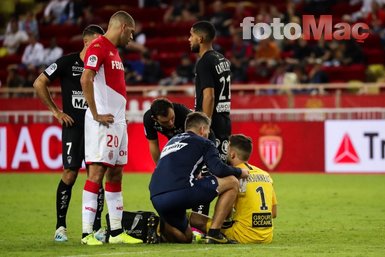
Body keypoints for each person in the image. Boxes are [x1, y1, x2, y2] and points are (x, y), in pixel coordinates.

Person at [33, 24, 106, 242]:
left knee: (97, 176)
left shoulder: (101, 66)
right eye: (98, 42)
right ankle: (60, 227)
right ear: (86, 42)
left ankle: (98, 227)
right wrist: (56, 112)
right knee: (70, 174)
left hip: (97, 128)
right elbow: (39, 83)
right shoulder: (67, 62)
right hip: (74, 128)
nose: (101, 46)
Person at [80, 10, 142, 245]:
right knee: (96, 172)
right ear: (123, 27)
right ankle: (87, 233)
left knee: (116, 173)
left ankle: (116, 232)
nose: (132, 38)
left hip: (117, 122)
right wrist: (95, 113)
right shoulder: (98, 46)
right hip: (102, 122)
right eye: (132, 33)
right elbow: (86, 78)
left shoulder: (114, 51)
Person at [149, 112, 249, 244]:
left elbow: (175, 167)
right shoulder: (204, 142)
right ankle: (214, 233)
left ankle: (158, 227)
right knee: (232, 182)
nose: (208, 134)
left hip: (156, 197)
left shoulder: (172, 141)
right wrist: (239, 171)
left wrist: (195, 175)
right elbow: (218, 169)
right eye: (207, 131)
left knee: (186, 238)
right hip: (179, 193)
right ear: (202, 130)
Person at [190, 134, 278, 243]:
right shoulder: (265, 175)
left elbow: (226, 215)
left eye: (227, 149)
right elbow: (273, 213)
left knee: (195, 219)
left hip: (242, 235)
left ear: (232, 154)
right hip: (266, 237)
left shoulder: (231, 177)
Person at [189, 20, 232, 216]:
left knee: (203, 174)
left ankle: (199, 223)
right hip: (224, 122)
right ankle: (225, 219)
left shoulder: (204, 61)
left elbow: (209, 95)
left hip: (210, 125)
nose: (189, 40)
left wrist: (204, 126)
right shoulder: (222, 59)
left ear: (201, 38)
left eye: (191, 36)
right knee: (223, 172)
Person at [143, 98, 191, 164]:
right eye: (165, 122)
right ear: (154, 119)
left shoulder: (183, 113)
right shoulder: (148, 119)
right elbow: (153, 144)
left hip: (193, 136)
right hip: (174, 139)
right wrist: (159, 168)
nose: (171, 123)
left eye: (172, 118)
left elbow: (197, 138)